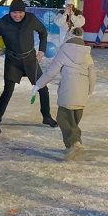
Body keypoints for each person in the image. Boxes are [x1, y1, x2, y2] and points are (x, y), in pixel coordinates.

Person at [0, 0, 57, 133]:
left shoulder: (31, 19)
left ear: (24, 12)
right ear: (10, 12)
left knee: (43, 88)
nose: (17, 15)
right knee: (7, 91)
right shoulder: (3, 22)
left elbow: (43, 33)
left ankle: (46, 116)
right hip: (13, 61)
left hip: (30, 60)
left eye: (20, 12)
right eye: (14, 13)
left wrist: (42, 50)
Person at [33, 28, 96, 161]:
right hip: (82, 93)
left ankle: (72, 144)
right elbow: (92, 75)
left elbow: (51, 72)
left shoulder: (64, 51)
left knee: (63, 118)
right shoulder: (87, 54)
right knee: (74, 119)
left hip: (68, 92)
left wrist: (38, 85)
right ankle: (76, 141)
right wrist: (90, 90)